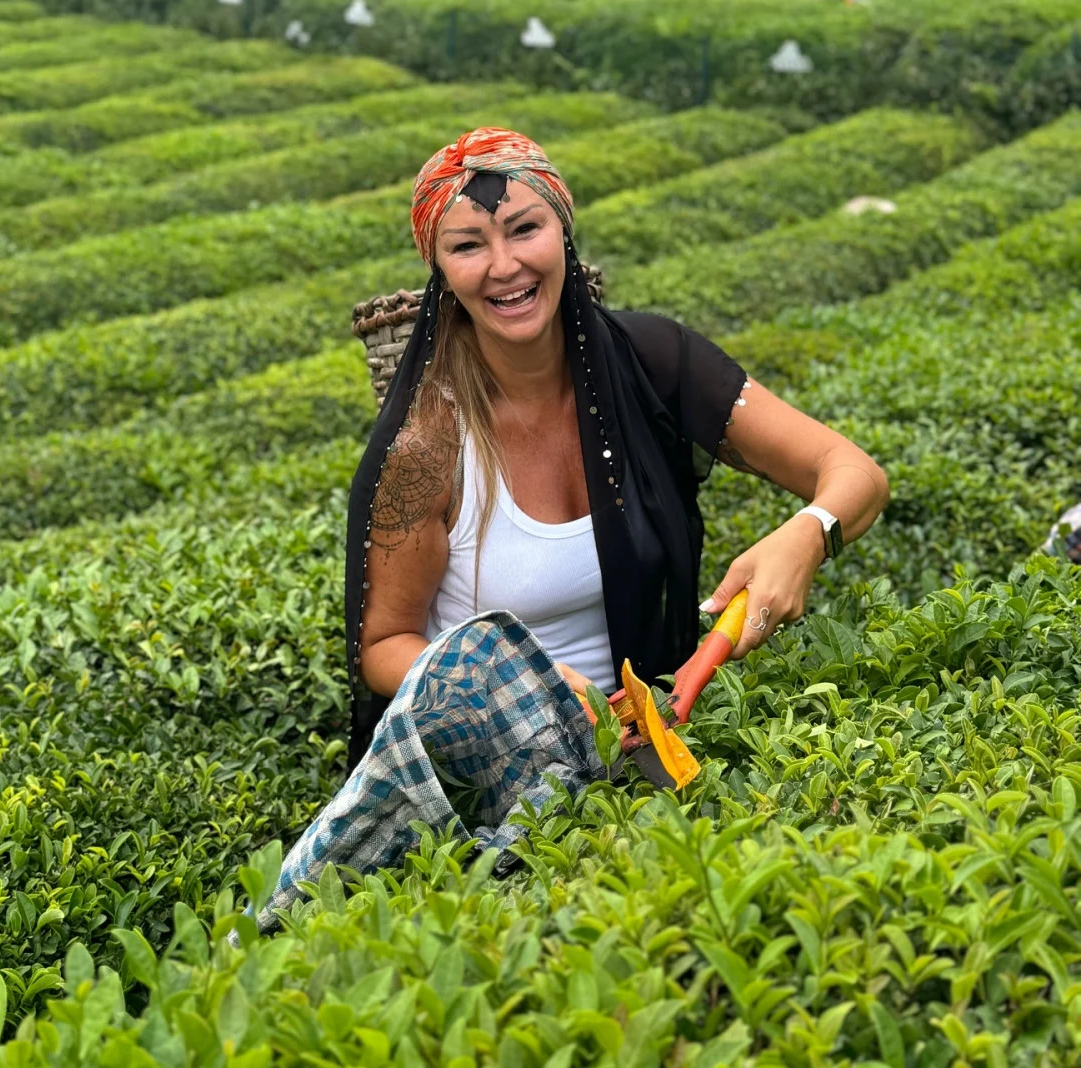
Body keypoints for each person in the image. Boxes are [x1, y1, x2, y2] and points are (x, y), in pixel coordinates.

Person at [345, 127, 890, 765]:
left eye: (525, 229)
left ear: (563, 228)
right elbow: (384, 645)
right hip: (501, 764)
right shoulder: (431, 445)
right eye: (468, 245)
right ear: (441, 271)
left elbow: (856, 475)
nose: (504, 266)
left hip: (653, 728)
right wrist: (509, 684)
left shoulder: (653, 362)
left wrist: (808, 533)